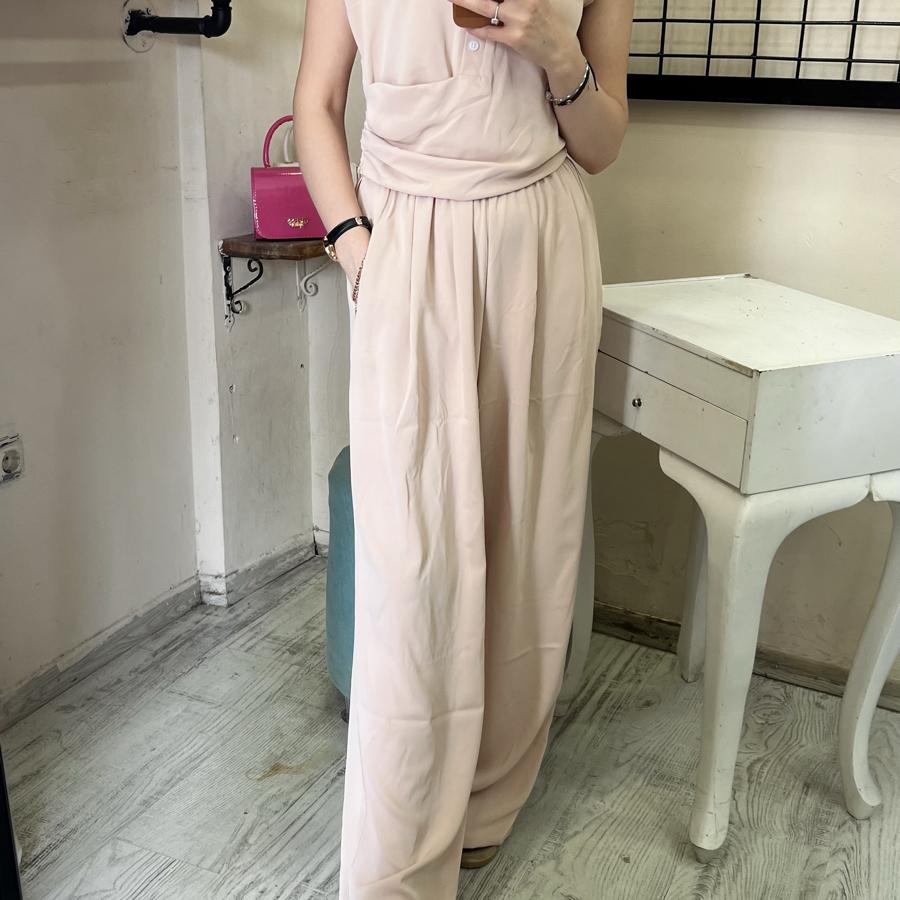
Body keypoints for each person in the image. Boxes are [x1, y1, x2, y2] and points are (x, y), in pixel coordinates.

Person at [293, 1, 633, 896]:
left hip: (540, 248)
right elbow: (317, 101)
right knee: (411, 570)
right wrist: (354, 245)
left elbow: (602, 144)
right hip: (404, 246)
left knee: (529, 537)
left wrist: (559, 54)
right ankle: (398, 866)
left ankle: (489, 799)